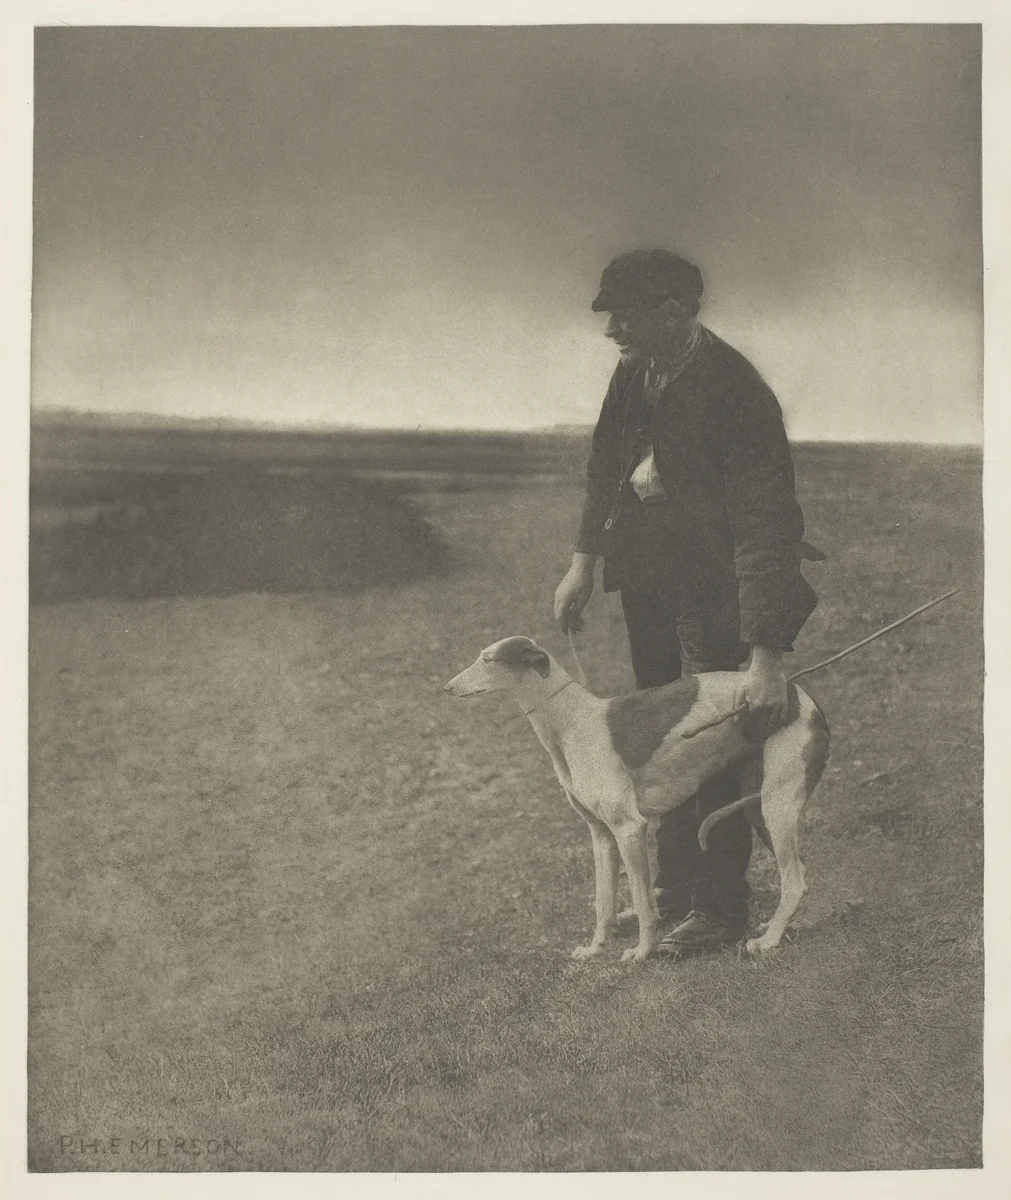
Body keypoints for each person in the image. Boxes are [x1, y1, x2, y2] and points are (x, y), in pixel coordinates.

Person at [553, 248, 820, 957]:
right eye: (611, 317)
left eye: (626, 316)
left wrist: (766, 656)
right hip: (646, 580)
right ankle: (671, 888)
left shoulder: (736, 390)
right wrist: (583, 565)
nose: (612, 329)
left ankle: (719, 908)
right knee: (657, 731)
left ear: (674, 314)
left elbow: (767, 527)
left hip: (713, 590)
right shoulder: (634, 369)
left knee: (713, 743)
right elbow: (606, 467)